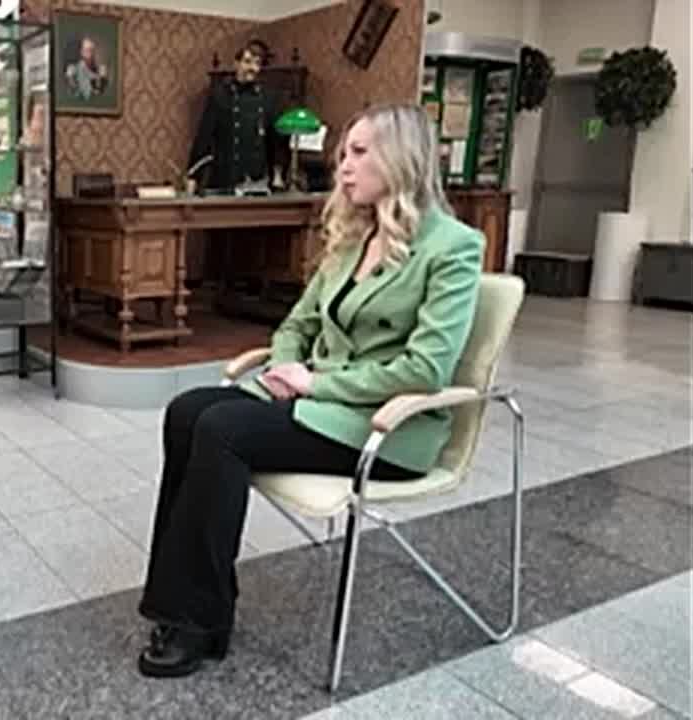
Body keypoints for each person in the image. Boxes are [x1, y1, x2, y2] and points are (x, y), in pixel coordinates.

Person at [136, 103, 484, 678]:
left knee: (222, 430)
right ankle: (183, 599)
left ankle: (199, 619)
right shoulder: (354, 237)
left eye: (359, 152)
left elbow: (425, 369)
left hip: (387, 426)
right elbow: (296, 324)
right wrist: (286, 368)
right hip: (320, 402)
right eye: (343, 152)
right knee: (186, 411)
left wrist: (315, 383)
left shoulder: (453, 247)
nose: (342, 165)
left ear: (401, 159)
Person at [187, 40, 280, 194]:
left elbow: (274, 141)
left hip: (257, 182)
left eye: (257, 63)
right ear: (236, 64)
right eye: (247, 62)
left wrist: (277, 174)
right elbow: (204, 138)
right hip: (225, 178)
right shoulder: (220, 95)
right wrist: (193, 176)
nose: (252, 68)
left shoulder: (268, 98)